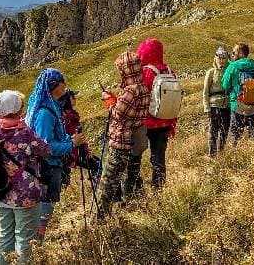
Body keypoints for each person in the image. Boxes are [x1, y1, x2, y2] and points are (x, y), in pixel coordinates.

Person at [0, 90, 50, 265]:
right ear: (15, 110)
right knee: (24, 238)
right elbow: (45, 149)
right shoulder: (23, 132)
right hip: (25, 194)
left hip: (0, 190)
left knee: (5, 235)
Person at [26, 68, 86, 243]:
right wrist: (72, 144)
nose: (65, 85)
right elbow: (46, 145)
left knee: (44, 206)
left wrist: (69, 139)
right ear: (55, 86)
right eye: (62, 82)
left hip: (47, 166)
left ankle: (35, 242)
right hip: (49, 167)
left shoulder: (49, 106)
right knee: (46, 206)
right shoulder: (46, 112)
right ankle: (36, 242)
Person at [95, 51, 150, 220]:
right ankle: (131, 211)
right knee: (131, 178)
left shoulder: (130, 91)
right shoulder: (144, 88)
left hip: (120, 143)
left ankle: (99, 220)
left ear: (126, 70)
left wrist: (109, 101)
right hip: (136, 141)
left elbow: (117, 115)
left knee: (107, 184)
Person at [138, 38, 176, 190]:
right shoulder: (169, 71)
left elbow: (141, 95)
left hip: (147, 121)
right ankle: (158, 188)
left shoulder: (146, 71)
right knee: (159, 157)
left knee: (135, 156)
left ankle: (135, 188)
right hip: (165, 120)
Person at [221, 43, 254, 145]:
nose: (232, 55)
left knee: (235, 136)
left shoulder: (232, 67)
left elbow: (225, 85)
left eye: (234, 52)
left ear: (241, 53)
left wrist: (232, 93)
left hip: (237, 105)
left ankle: (234, 157)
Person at [57, 89, 101, 190]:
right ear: (67, 100)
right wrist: (83, 149)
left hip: (71, 151)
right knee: (97, 165)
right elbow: (75, 135)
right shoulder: (68, 117)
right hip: (72, 151)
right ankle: (100, 189)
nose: (75, 98)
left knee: (65, 177)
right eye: (73, 97)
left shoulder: (65, 115)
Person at [202, 46, 231, 157]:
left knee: (225, 130)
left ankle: (222, 153)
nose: (222, 60)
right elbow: (205, 91)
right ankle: (212, 154)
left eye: (224, 57)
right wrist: (207, 107)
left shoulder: (230, 71)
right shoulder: (211, 72)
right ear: (215, 58)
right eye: (219, 57)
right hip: (214, 105)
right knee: (213, 130)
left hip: (227, 105)